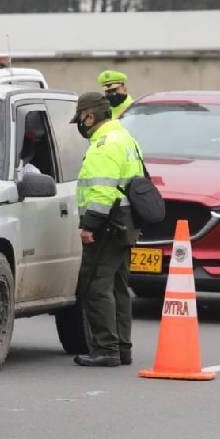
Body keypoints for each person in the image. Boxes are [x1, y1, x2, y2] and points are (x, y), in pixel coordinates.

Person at [70, 92, 144, 367]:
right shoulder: (125, 138)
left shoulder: (104, 144)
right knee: (118, 287)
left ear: (89, 116)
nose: (80, 124)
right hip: (125, 222)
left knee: (95, 286)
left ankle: (106, 349)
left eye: (80, 118)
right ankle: (122, 348)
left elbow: (102, 191)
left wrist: (90, 225)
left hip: (107, 225)